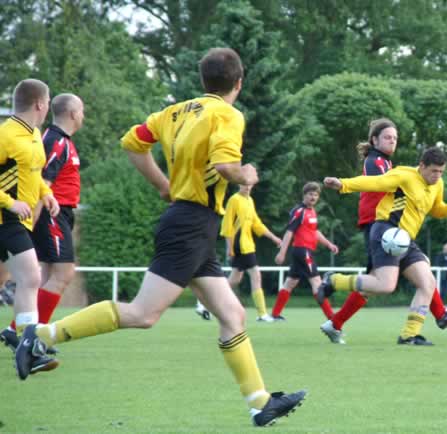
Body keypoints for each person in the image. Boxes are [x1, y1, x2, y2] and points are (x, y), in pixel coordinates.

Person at [15, 48, 306, 427]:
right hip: (191, 224)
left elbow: (132, 143)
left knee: (233, 314)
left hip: (192, 223)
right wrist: (247, 174)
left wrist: (163, 185)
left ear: (203, 81)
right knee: (142, 313)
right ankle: (39, 336)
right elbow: (225, 166)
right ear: (239, 82)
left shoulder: (175, 111)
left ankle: (260, 402)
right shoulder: (228, 115)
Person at [323, 120, 447, 344]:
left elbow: (434, 207)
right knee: (384, 285)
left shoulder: (437, 184)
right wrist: (343, 184)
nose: (437, 176)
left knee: (427, 281)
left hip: (405, 238)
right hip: (386, 231)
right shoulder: (400, 173)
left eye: (441, 172)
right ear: (421, 166)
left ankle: (410, 335)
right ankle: (335, 281)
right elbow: (374, 183)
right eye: (433, 171)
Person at [0, 93, 84, 353]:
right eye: (82, 111)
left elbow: (38, 180)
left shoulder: (43, 137)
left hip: (50, 212)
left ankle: (24, 334)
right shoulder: (53, 140)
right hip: (37, 216)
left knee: (40, 276)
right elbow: (41, 179)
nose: (83, 116)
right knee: (58, 274)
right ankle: (27, 337)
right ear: (72, 113)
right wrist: (31, 218)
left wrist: (46, 197)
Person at [0, 78, 60, 372]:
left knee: (22, 278)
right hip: (5, 218)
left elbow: (32, 173)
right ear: (40, 104)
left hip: (18, 222)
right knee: (32, 277)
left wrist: (46, 194)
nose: (48, 107)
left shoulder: (34, 134)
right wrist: (8, 202)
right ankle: (29, 347)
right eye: (48, 102)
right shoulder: (6, 135)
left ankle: (23, 340)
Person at [271, 182, 339, 321]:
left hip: (304, 251)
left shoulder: (312, 211)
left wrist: (328, 244)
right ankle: (332, 319)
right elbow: (289, 232)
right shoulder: (299, 211)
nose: (313, 197)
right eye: (310, 194)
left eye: (315, 195)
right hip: (302, 251)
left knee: (290, 283)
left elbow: (314, 232)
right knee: (316, 282)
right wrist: (282, 252)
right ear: (304, 195)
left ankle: (275, 314)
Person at [220, 183, 282, 322]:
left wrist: (273, 238)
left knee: (235, 279)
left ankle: (206, 304)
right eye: (244, 184)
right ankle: (262, 314)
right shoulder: (234, 200)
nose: (247, 187)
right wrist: (229, 248)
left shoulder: (249, 200)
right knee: (256, 275)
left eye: (249, 184)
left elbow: (256, 224)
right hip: (240, 246)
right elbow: (227, 225)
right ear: (239, 184)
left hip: (248, 245)